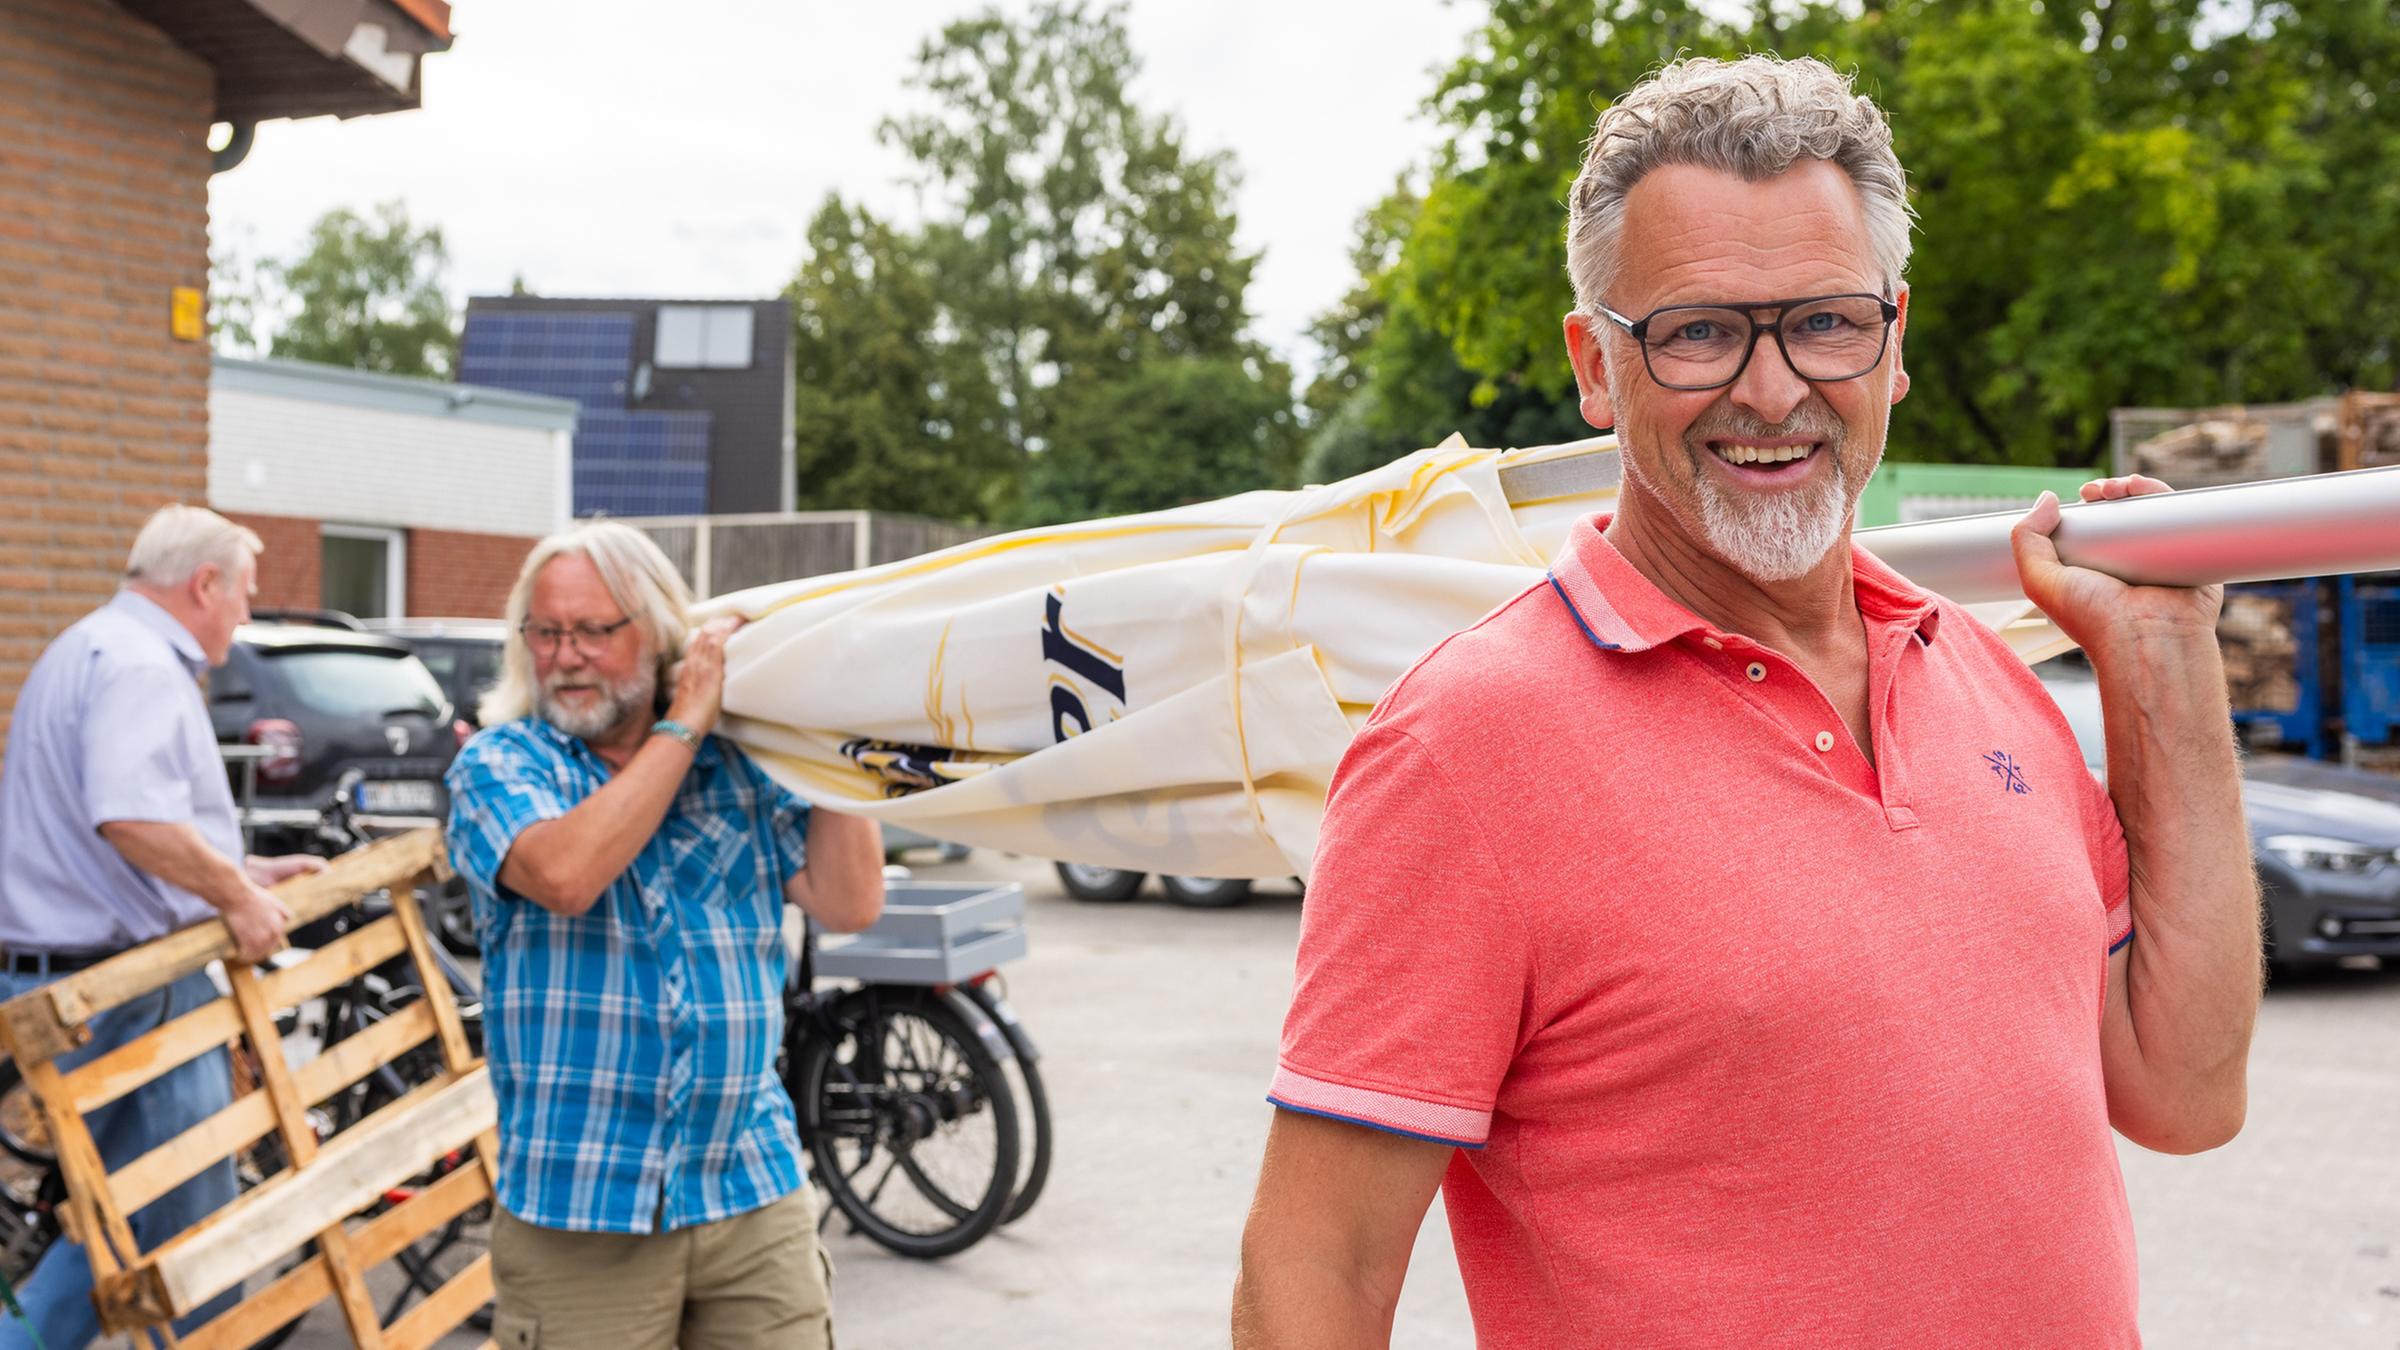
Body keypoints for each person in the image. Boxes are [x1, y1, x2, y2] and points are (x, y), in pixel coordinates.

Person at [1234, 54, 2259, 1349]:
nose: (1772, 392)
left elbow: (2185, 1091)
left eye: (1825, 322)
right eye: (1699, 332)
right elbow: (1313, 1275)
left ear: (1893, 342)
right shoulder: (1464, 749)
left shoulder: (1983, 680)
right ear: (1597, 366)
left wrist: (2167, 663)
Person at [444, 521, 883, 1350]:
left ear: (656, 634)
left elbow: (849, 902)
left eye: (593, 630)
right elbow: (567, 876)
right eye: (545, 632)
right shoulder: (501, 765)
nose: (566, 656)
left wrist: (833, 743)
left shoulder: (741, 764)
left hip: (749, 1186)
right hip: (582, 1209)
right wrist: (682, 727)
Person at [0, 504, 318, 1348]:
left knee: (116, 1225)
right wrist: (237, 898)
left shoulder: (92, 647)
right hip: (122, 991)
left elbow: (115, 834)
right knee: (181, 1231)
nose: (245, 616)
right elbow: (131, 819)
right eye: (244, 593)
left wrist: (239, 875)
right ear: (204, 584)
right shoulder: (140, 665)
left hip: (82, 978)